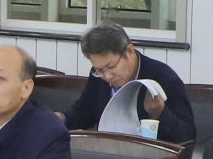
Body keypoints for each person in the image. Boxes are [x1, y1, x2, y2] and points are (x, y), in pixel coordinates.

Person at [62, 22, 194, 145]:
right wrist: (61, 119)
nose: (107, 76)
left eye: (111, 66)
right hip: (106, 152)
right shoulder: (98, 77)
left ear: (129, 51)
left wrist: (160, 112)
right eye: (100, 70)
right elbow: (83, 112)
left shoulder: (163, 77)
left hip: (149, 158)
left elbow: (188, 136)